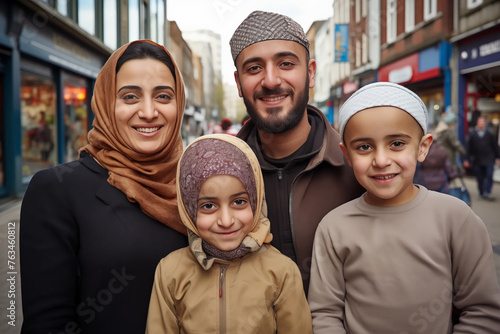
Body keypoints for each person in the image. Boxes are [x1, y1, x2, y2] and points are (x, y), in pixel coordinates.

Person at [20, 40, 188, 333]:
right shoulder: (58, 190)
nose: (148, 112)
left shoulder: (197, 183)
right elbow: (48, 324)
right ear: (106, 102)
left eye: (163, 96)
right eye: (130, 97)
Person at [308, 82, 500, 333]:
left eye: (397, 143)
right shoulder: (333, 228)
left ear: (422, 147)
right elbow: (324, 314)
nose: (381, 160)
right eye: (364, 147)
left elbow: (481, 311)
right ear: (347, 154)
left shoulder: (456, 218)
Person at [230, 10, 364, 292]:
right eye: (254, 68)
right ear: (239, 83)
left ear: (311, 73)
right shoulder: (220, 176)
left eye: (286, 64)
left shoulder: (360, 168)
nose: (270, 80)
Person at [146, 134, 312, 333]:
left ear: (255, 200)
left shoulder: (281, 272)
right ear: (189, 210)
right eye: (208, 205)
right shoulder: (171, 272)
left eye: (239, 202)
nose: (226, 221)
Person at [463, 115, 500, 201]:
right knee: (480, 177)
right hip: (477, 159)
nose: (482, 124)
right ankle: (481, 192)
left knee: (489, 175)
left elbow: (495, 147)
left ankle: (488, 192)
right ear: (477, 123)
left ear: (485, 123)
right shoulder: (472, 134)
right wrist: (466, 159)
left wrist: (498, 157)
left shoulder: (490, 134)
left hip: (489, 158)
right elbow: (468, 148)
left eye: (483, 122)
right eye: (480, 122)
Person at [433, 110, 466, 175]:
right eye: (454, 122)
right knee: (448, 173)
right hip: (447, 154)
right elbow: (455, 143)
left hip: (439, 154)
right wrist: (463, 151)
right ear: (451, 122)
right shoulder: (448, 130)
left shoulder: (440, 128)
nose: (454, 124)